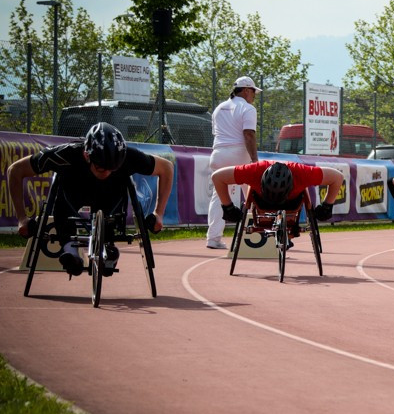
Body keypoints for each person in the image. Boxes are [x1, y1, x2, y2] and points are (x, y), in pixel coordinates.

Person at [6, 122, 174, 276]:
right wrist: (22, 218)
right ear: (87, 156)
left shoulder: (129, 157)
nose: (107, 173)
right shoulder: (64, 154)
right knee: (61, 196)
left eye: (112, 168)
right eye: (101, 168)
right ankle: (70, 251)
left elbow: (166, 168)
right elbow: (15, 170)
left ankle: (109, 249)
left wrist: (158, 214)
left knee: (112, 211)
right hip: (73, 195)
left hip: (111, 200)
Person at [211, 161, 344, 237]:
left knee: (303, 192)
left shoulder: (301, 172)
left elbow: (338, 177)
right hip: (263, 202)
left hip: (291, 203)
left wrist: (327, 206)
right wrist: (227, 206)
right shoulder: (254, 170)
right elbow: (217, 176)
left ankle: (288, 234)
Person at [207, 76, 260, 250]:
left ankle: (213, 238)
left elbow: (217, 133)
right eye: (253, 92)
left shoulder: (219, 108)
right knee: (252, 191)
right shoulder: (248, 108)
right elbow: (249, 135)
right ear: (246, 90)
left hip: (218, 153)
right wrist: (254, 160)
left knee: (219, 196)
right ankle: (256, 236)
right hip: (238, 154)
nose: (254, 96)